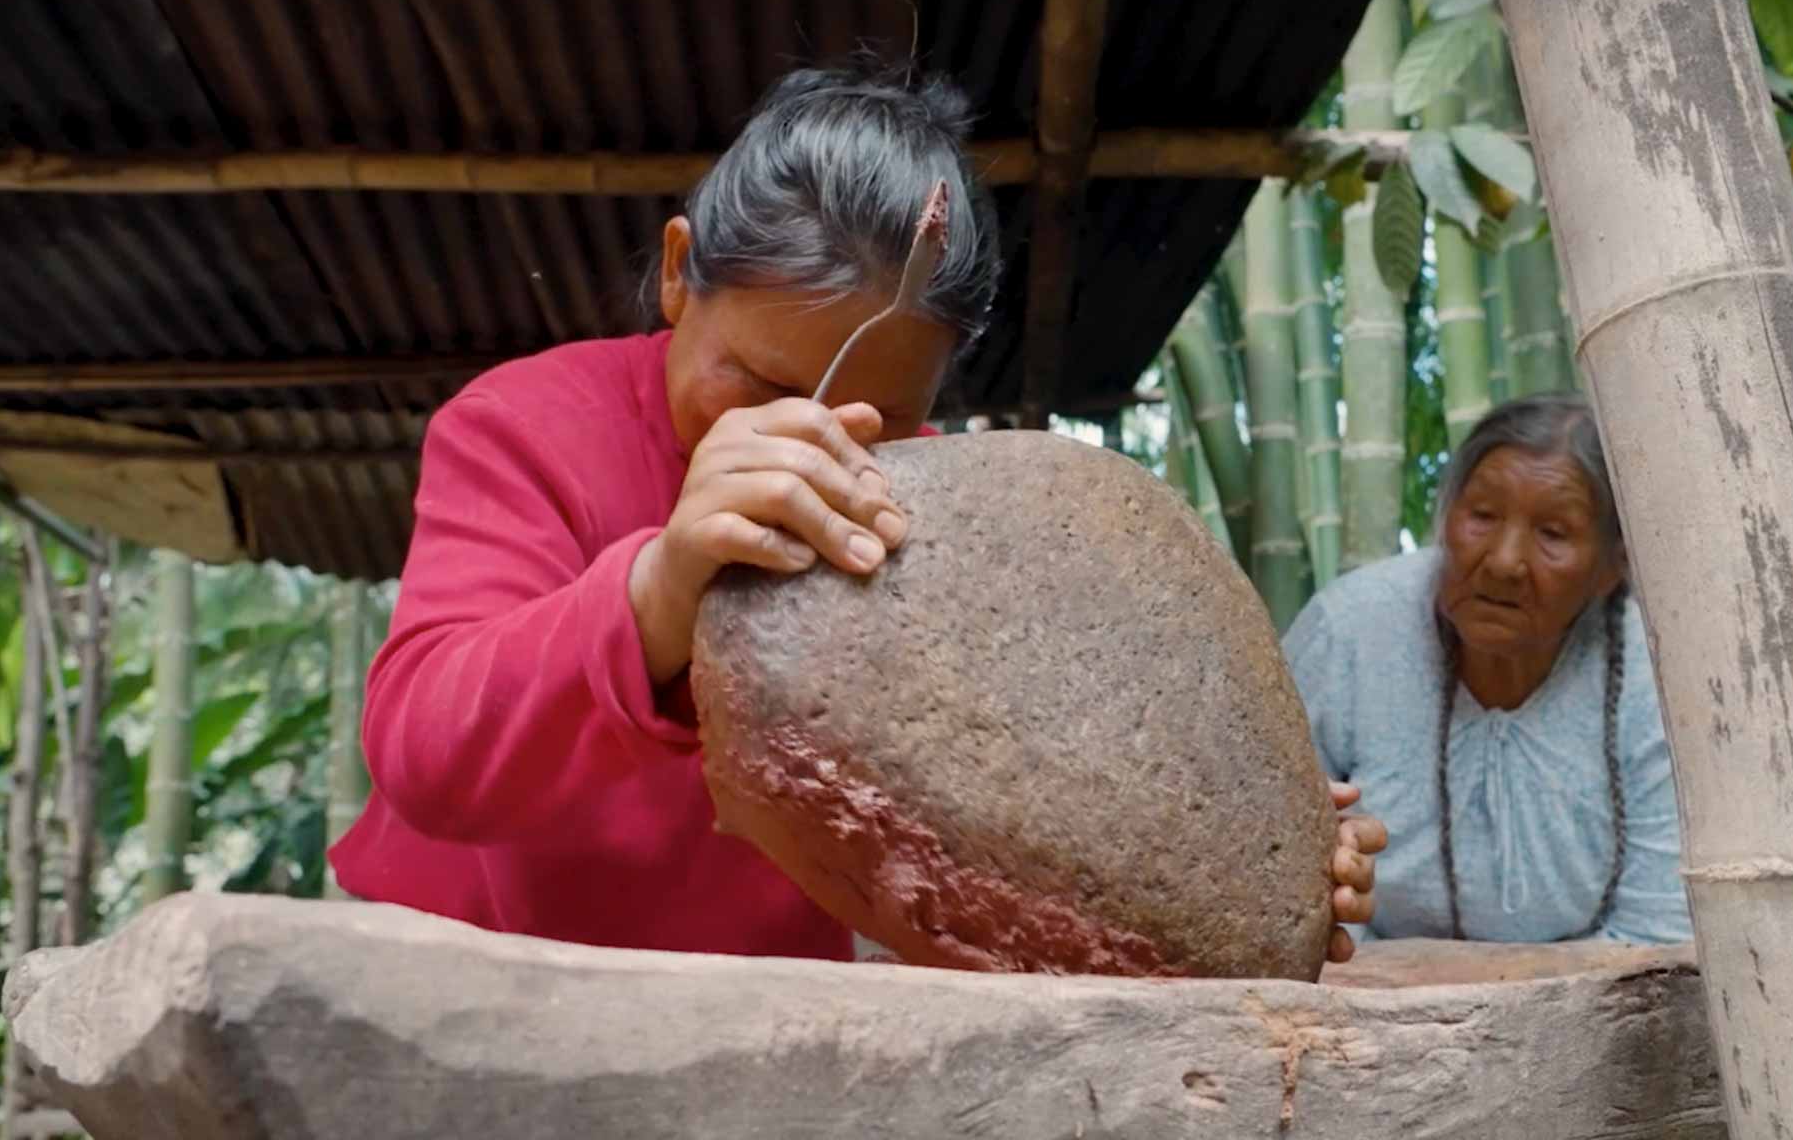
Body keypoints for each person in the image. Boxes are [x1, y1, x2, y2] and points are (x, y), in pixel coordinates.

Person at [327, 61, 1387, 968]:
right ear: (678, 273)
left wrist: (1259, 845)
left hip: (772, 1020)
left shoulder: (927, 503)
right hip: (482, 986)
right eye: (757, 383)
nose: (809, 440)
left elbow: (1050, 771)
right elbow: (423, 756)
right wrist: (658, 590)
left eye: (871, 417)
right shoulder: (526, 424)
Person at [1282, 394, 1693, 945]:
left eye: (1553, 533)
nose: (1503, 561)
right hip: (1360, 986)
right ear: (1446, 517)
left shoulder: (1661, 676)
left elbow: (1661, 932)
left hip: (1605, 993)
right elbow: (1277, 866)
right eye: (1482, 516)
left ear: (1612, 567)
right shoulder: (1347, 631)